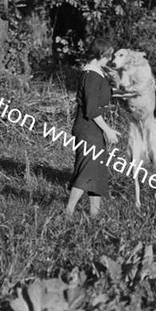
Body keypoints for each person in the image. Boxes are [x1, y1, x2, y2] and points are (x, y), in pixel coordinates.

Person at [66, 38, 120, 217]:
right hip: (87, 128)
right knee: (87, 169)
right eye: (108, 55)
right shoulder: (91, 75)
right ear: (100, 55)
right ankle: (68, 212)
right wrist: (108, 129)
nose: (109, 59)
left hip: (93, 128)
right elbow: (91, 109)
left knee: (97, 171)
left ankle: (94, 215)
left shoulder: (97, 73)